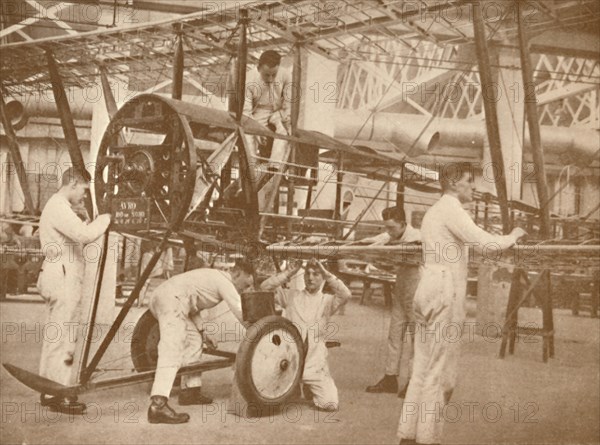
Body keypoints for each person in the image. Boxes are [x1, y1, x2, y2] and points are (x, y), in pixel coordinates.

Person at [397, 163, 526, 445]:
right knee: (437, 370)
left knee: (421, 366)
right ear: (454, 184)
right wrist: (514, 236)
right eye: (469, 181)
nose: (474, 186)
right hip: (442, 289)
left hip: (427, 286)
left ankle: (408, 434)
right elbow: (487, 244)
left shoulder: (434, 211)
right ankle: (427, 439)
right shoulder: (452, 210)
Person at [37, 167, 111, 413]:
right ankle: (62, 394)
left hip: (58, 275)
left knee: (56, 335)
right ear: (72, 183)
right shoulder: (58, 206)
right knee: (65, 336)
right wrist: (107, 218)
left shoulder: (59, 207)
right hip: (63, 278)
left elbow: (76, 232)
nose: (83, 196)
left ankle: (50, 390)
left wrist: (91, 221)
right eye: (83, 190)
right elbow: (83, 235)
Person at [147, 260, 254, 424]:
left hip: (171, 299)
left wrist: (203, 331)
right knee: (172, 347)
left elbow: (192, 305)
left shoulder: (213, 277)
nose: (244, 290)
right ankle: (158, 405)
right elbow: (241, 312)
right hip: (171, 299)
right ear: (237, 273)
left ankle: (190, 391)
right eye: (245, 285)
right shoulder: (224, 281)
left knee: (194, 340)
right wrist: (258, 331)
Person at [260, 258, 351, 411]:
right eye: (307, 273)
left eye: (316, 274)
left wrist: (327, 273)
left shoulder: (327, 301)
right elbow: (265, 287)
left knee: (329, 404)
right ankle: (294, 385)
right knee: (274, 401)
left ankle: (308, 385)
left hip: (314, 362)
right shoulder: (292, 296)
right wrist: (289, 272)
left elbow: (346, 294)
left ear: (323, 278)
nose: (310, 278)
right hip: (288, 361)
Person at [364, 206, 421, 398]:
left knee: (417, 337)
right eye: (386, 227)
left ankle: (414, 381)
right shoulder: (391, 235)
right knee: (394, 334)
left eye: (392, 227)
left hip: (417, 287)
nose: (388, 231)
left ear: (403, 224)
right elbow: (374, 242)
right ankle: (390, 378)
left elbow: (409, 252)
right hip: (402, 284)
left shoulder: (417, 237)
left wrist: (388, 251)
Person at [243, 50, 293, 216]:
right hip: (257, 113)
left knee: (283, 132)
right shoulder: (249, 80)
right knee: (248, 136)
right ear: (258, 68)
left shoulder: (286, 76)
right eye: (266, 75)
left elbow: (288, 104)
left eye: (274, 74)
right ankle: (251, 170)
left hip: (277, 112)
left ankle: (274, 167)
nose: (271, 79)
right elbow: (246, 112)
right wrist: (257, 132)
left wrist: (286, 123)